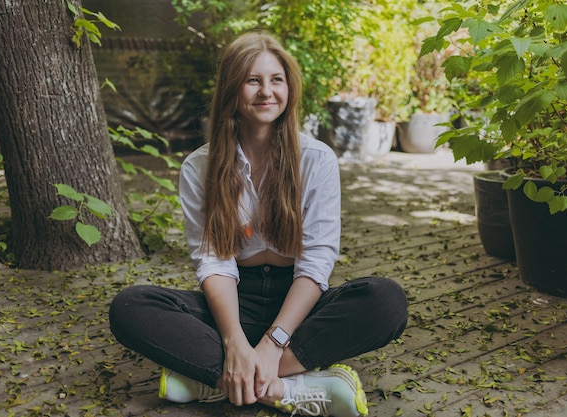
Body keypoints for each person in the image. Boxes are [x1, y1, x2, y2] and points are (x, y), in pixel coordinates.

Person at [109, 31, 408, 417]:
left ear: (289, 87)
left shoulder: (317, 160)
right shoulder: (199, 167)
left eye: (276, 80)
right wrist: (234, 340)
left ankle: (220, 381)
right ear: (233, 89)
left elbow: (317, 262)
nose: (267, 91)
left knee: (386, 300)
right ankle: (292, 386)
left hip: (298, 307)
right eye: (253, 80)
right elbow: (214, 262)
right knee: (131, 307)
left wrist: (273, 342)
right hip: (235, 301)